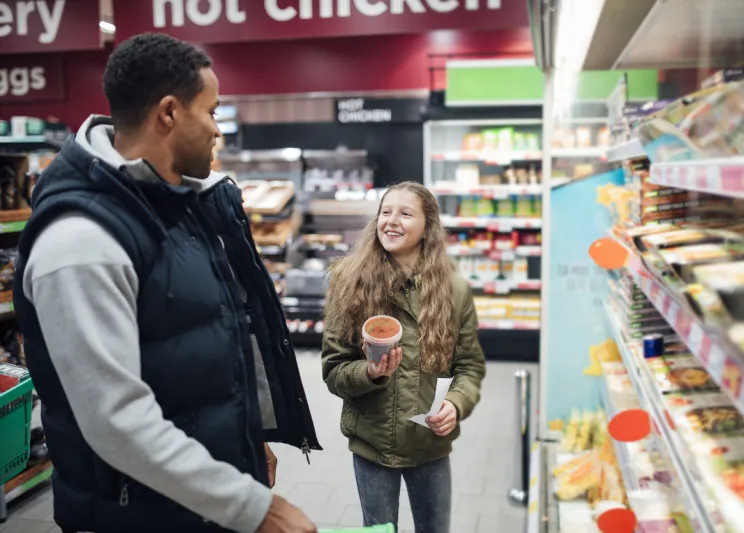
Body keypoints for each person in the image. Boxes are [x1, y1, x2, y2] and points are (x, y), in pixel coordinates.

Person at [13, 33, 320, 533]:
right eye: (212, 111)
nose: (218, 130)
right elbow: (116, 420)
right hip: (132, 514)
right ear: (170, 113)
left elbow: (197, 348)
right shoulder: (80, 242)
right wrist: (250, 505)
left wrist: (242, 441)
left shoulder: (175, 206)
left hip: (189, 503)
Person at [321, 181, 487, 533]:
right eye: (386, 211)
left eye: (405, 213)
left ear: (428, 227)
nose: (391, 221)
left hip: (430, 446)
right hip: (373, 446)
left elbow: (469, 366)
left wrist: (455, 404)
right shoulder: (349, 282)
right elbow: (334, 370)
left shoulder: (454, 291)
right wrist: (369, 372)